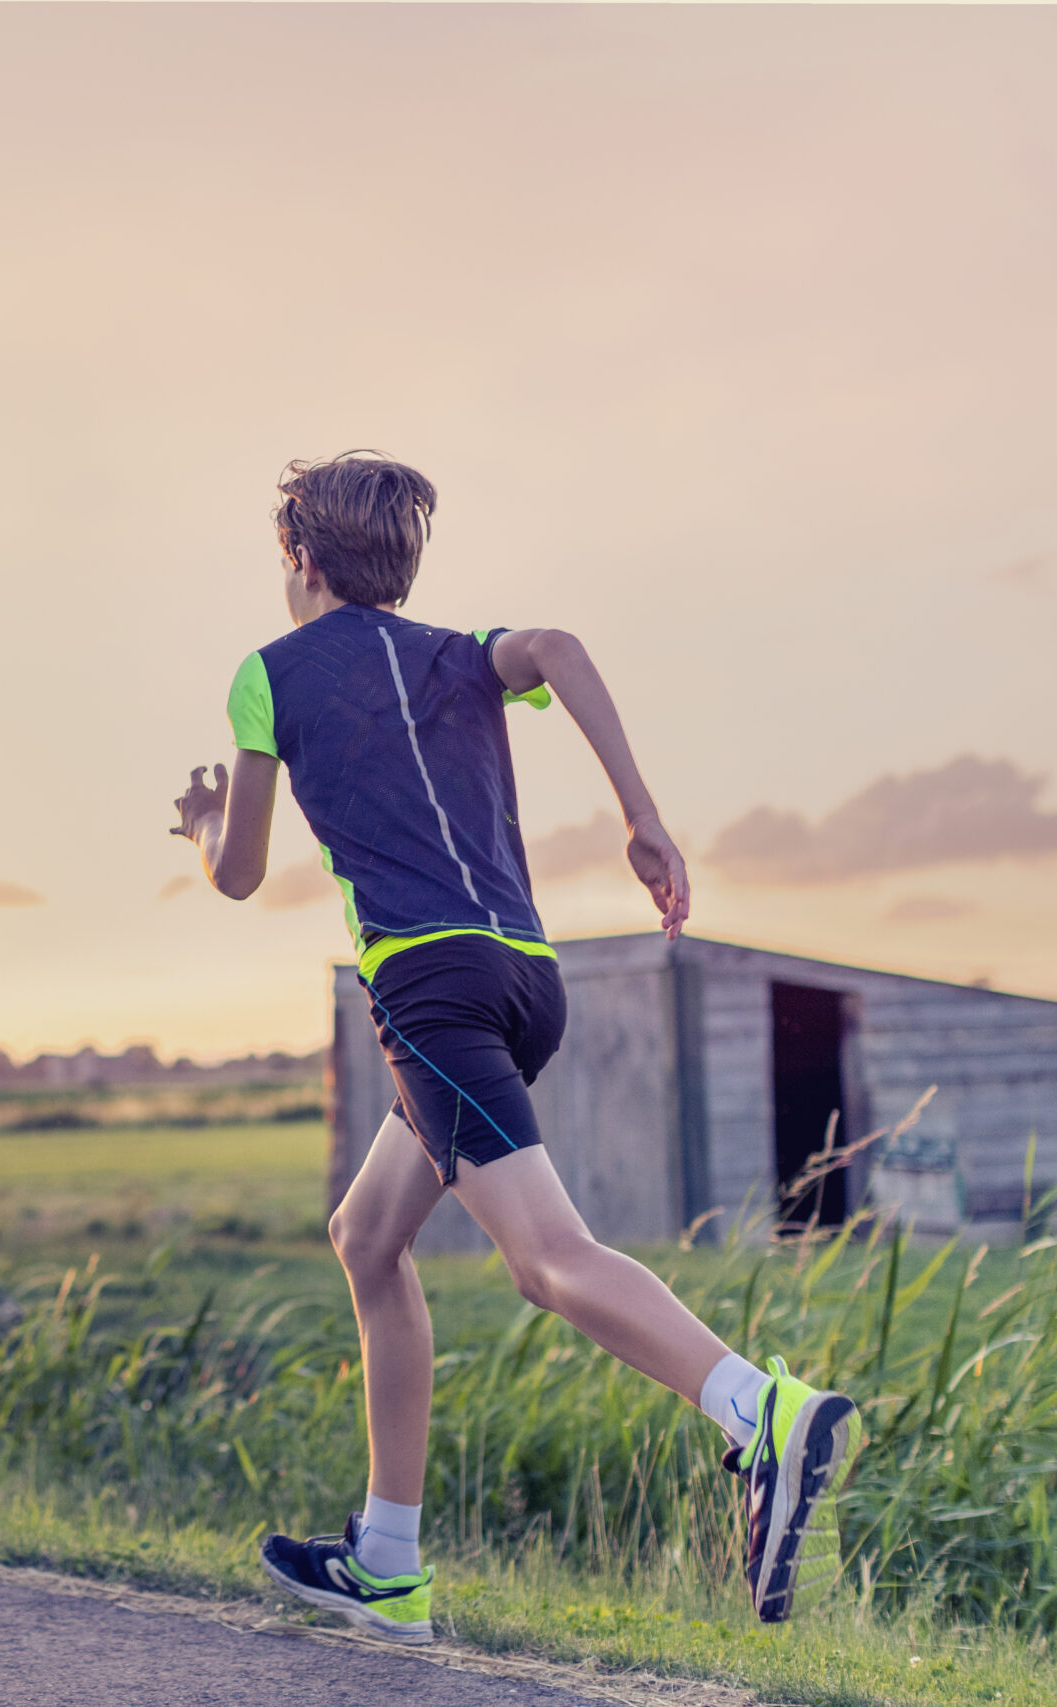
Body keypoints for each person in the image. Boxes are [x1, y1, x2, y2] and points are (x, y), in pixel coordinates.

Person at [169, 451, 857, 1645]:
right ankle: (386, 1560)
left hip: (427, 991)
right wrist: (643, 820)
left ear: (299, 558)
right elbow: (559, 649)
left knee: (546, 1261)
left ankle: (762, 1413)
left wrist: (198, 824)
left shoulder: (265, 678)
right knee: (366, 1235)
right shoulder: (458, 652)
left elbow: (237, 876)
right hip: (524, 981)